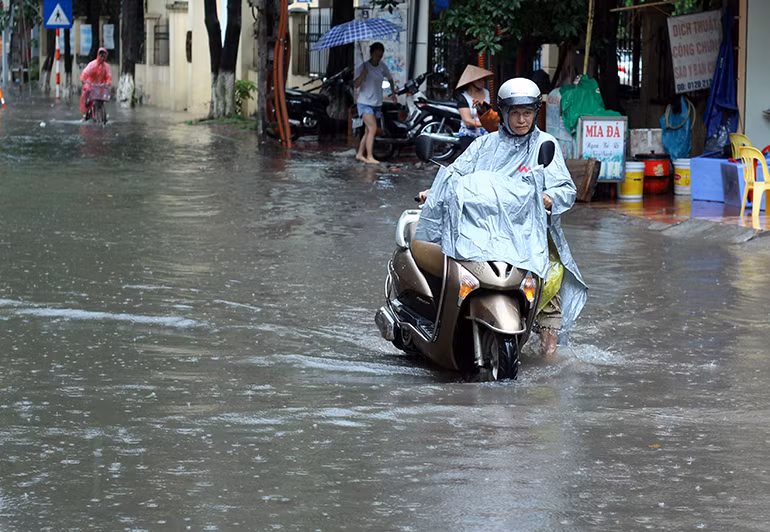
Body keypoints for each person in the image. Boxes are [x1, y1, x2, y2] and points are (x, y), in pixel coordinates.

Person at [415, 77, 587, 359]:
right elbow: (457, 173)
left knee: (551, 279)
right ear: (503, 113)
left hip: (530, 234)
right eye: (515, 113)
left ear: (535, 113)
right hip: (484, 231)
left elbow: (566, 189)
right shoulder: (485, 145)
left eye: (528, 113)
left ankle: (549, 358)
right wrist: (433, 191)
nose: (522, 120)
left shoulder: (545, 144)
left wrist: (548, 198)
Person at [354, 42, 396, 164]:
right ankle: (370, 156)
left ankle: (360, 154)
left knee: (368, 131)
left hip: (377, 102)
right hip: (364, 102)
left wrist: (393, 93)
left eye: (380, 54)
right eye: (377, 54)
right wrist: (362, 75)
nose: (378, 56)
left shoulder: (382, 66)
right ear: (372, 53)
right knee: (372, 128)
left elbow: (390, 78)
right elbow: (356, 84)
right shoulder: (364, 67)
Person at [455, 65, 493, 140]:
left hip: (486, 135)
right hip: (469, 135)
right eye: (479, 80)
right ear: (471, 81)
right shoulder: (463, 97)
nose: (483, 82)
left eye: (483, 80)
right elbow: (467, 121)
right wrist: (487, 124)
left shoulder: (486, 93)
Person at [80, 47, 112, 119]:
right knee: (87, 94)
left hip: (100, 85)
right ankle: (86, 111)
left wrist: (108, 82)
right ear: (98, 55)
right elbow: (85, 73)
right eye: (101, 56)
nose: (102, 58)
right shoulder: (92, 64)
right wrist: (83, 80)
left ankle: (101, 114)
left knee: (101, 99)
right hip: (90, 84)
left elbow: (108, 76)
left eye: (104, 56)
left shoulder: (106, 66)